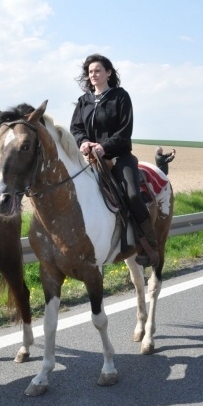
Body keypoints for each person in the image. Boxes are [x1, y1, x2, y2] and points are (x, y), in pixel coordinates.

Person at [70, 53, 159, 268]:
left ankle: (149, 243)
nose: (93, 75)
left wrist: (104, 147)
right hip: (91, 159)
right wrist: (83, 142)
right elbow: (76, 128)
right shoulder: (85, 101)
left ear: (108, 73)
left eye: (98, 70)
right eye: (90, 72)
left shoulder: (120, 96)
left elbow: (124, 130)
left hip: (118, 156)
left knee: (132, 194)